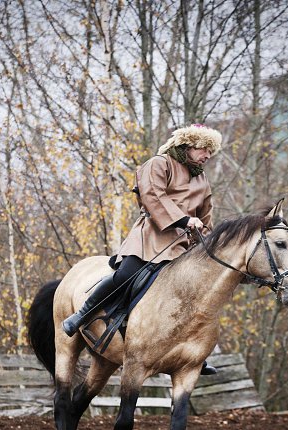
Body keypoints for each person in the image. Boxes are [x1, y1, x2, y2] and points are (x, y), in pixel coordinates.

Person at [63, 124, 222, 374]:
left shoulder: (201, 178)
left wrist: (205, 238)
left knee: (197, 291)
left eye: (211, 152)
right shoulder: (159, 164)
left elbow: (206, 214)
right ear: (189, 145)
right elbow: (153, 197)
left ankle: (193, 352)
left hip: (183, 246)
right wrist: (184, 220)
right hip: (151, 237)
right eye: (205, 149)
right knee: (126, 275)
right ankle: (81, 314)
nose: (208, 155)